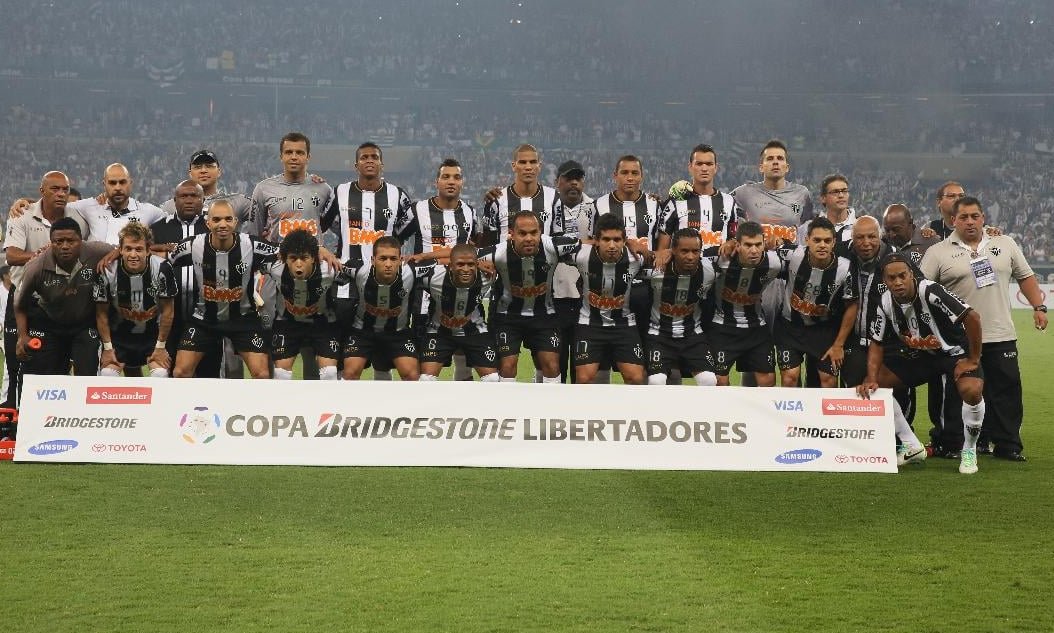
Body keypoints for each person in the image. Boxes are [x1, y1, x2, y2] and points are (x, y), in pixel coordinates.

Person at [920, 196, 1045, 462]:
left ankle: (1008, 445)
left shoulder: (1005, 243)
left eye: (974, 216)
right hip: (958, 339)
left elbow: (1025, 276)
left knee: (1006, 391)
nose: (969, 221)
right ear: (953, 220)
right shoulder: (938, 252)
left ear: (983, 217)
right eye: (963, 217)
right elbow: (922, 293)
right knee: (957, 393)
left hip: (1000, 333)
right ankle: (952, 443)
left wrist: (1039, 307)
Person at [859, 253, 985, 473]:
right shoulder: (885, 301)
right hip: (923, 356)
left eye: (902, 276)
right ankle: (911, 444)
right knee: (876, 385)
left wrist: (973, 359)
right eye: (892, 278)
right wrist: (870, 377)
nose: (898, 282)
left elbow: (972, 318)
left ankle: (969, 450)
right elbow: (876, 343)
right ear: (884, 281)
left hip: (953, 353)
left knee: (972, 391)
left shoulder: (930, 290)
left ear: (911, 275)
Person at [249, 132, 335, 380]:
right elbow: (256, 236)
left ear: (308, 156)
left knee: (312, 340)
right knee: (272, 335)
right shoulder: (264, 189)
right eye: (289, 152)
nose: (294, 157)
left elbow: (327, 225)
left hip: (312, 272)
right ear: (281, 156)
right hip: (275, 275)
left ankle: (313, 404)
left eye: (299, 152)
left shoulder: (323, 188)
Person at [732, 139, 813, 386]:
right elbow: (717, 210)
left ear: (787, 166)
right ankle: (751, 412)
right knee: (755, 349)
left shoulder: (802, 194)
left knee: (791, 354)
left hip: (790, 280)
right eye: (770, 158)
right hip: (760, 280)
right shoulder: (743, 193)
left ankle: (792, 414)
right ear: (761, 166)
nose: (775, 162)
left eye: (780, 159)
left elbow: (807, 233)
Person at [3, 172, 88, 407]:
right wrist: (45, 258)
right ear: (42, 191)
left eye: (65, 189)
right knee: (16, 365)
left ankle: (52, 420)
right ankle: (13, 427)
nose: (61, 194)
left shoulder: (78, 216)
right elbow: (11, 255)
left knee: (55, 367)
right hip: (25, 300)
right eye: (55, 189)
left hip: (61, 302)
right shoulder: (22, 215)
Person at [169, 200, 279, 380]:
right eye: (217, 219)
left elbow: (284, 253)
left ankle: (256, 409)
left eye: (228, 219)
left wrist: (319, 250)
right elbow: (165, 261)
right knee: (180, 372)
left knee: (262, 374)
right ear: (208, 223)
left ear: (235, 222)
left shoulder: (252, 245)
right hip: (204, 320)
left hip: (243, 320)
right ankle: (187, 408)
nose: (223, 224)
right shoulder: (192, 245)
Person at [479, 211, 581, 383]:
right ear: (511, 233)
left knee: (551, 365)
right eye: (522, 233)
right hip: (507, 317)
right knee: (507, 366)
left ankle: (547, 409)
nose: (529, 238)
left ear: (541, 232)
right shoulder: (498, 253)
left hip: (544, 315)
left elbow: (587, 246)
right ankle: (506, 409)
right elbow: (459, 255)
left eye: (534, 232)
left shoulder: (553, 246)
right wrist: (475, 262)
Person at [13, 218, 113, 394]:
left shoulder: (95, 250)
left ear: (80, 241)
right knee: (51, 375)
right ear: (51, 243)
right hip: (51, 324)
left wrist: (112, 256)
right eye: (59, 242)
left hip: (84, 324)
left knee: (86, 371)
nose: (65, 246)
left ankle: (85, 414)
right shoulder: (36, 267)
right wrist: (22, 336)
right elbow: (20, 304)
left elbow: (122, 249)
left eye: (71, 241)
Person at [773, 217, 858, 388]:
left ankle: (823, 415)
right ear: (807, 240)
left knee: (829, 381)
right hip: (790, 328)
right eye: (817, 240)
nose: (822, 245)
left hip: (823, 332)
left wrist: (838, 344)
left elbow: (852, 306)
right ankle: (791, 415)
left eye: (827, 241)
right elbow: (763, 256)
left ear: (834, 242)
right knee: (790, 377)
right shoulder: (792, 254)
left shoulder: (845, 269)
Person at [151, 181, 222, 378]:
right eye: (184, 196)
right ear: (174, 200)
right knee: (171, 371)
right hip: (170, 316)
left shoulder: (214, 227)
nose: (189, 200)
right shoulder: (158, 229)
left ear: (203, 200)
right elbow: (143, 253)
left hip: (207, 316)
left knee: (209, 373)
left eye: (194, 196)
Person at [565, 214, 646, 385]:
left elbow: (664, 257)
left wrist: (661, 252)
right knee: (584, 379)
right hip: (589, 323)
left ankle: (629, 413)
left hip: (624, 325)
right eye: (606, 239)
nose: (611, 245)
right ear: (596, 240)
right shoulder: (581, 255)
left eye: (617, 239)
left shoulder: (636, 258)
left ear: (624, 240)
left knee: (637, 378)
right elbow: (548, 249)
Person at [94, 222, 176, 378]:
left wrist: (160, 347)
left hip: (153, 335)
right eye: (128, 249)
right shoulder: (107, 271)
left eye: (138, 249)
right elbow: (101, 315)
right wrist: (107, 348)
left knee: (159, 374)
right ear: (120, 250)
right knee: (107, 375)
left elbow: (168, 311)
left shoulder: (162, 268)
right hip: (119, 336)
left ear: (148, 250)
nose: (133, 255)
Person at [709, 221, 782, 386]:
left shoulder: (774, 263)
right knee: (719, 381)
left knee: (768, 380)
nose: (754, 250)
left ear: (764, 244)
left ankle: (761, 413)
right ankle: (726, 413)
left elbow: (800, 254)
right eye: (748, 245)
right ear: (737, 245)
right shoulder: (721, 258)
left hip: (756, 327)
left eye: (758, 245)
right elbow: (691, 256)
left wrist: (781, 241)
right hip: (723, 327)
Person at [266, 229, 345, 381]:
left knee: (329, 373)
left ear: (314, 258)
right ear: (284, 258)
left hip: (323, 324)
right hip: (287, 324)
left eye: (304, 258)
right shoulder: (274, 267)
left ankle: (328, 405)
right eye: (293, 258)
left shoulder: (329, 270)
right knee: (281, 374)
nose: (299, 264)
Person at [340, 237, 424, 381]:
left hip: (398, 333)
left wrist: (424, 255)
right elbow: (333, 263)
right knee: (349, 374)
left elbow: (446, 261)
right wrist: (323, 251)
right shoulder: (359, 270)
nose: (388, 264)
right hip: (362, 332)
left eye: (393, 259)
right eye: (383, 258)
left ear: (400, 260)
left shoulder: (411, 272)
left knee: (412, 375)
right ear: (373, 260)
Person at [645, 228, 717, 386]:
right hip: (659, 334)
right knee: (656, 381)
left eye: (695, 251)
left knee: (709, 380)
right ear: (674, 251)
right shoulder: (657, 270)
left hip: (692, 335)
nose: (690, 257)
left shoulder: (710, 270)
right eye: (684, 251)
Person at [418, 243, 499, 382]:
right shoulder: (432, 278)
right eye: (460, 264)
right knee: (426, 379)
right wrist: (423, 256)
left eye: (470, 265)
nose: (466, 269)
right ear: (450, 265)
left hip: (474, 331)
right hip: (439, 331)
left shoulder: (488, 275)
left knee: (492, 379)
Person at [548, 160, 594, 383]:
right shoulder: (547, 208)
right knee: (552, 364)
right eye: (568, 178)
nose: (574, 183)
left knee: (581, 366)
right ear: (558, 182)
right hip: (553, 297)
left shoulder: (595, 208)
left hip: (585, 299)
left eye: (579, 178)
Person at [658, 144, 739, 257]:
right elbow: (662, 251)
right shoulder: (675, 202)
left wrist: (732, 242)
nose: (704, 168)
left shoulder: (729, 202)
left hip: (720, 270)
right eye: (699, 164)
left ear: (716, 168)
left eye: (709, 164)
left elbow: (735, 238)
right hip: (684, 271)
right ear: (690, 167)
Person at [478, 144, 559, 247]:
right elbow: (488, 245)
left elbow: (559, 240)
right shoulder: (497, 200)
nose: (528, 167)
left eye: (533, 162)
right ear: (513, 166)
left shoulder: (554, 198)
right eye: (523, 162)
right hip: (506, 263)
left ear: (539, 166)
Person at [67, 163, 166, 245]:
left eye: (122, 182)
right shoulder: (91, 206)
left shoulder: (148, 211)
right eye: (112, 183)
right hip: (96, 267)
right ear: (104, 185)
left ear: (130, 183)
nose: (118, 188)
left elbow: (173, 218)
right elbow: (59, 206)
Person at [162, 150, 253, 226]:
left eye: (209, 166)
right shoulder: (171, 206)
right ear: (190, 173)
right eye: (198, 167)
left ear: (219, 171)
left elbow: (264, 216)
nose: (203, 171)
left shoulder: (239, 202)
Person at [799, 174, 856, 252]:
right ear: (823, 198)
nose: (841, 195)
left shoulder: (862, 226)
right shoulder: (807, 228)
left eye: (844, 191)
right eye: (835, 192)